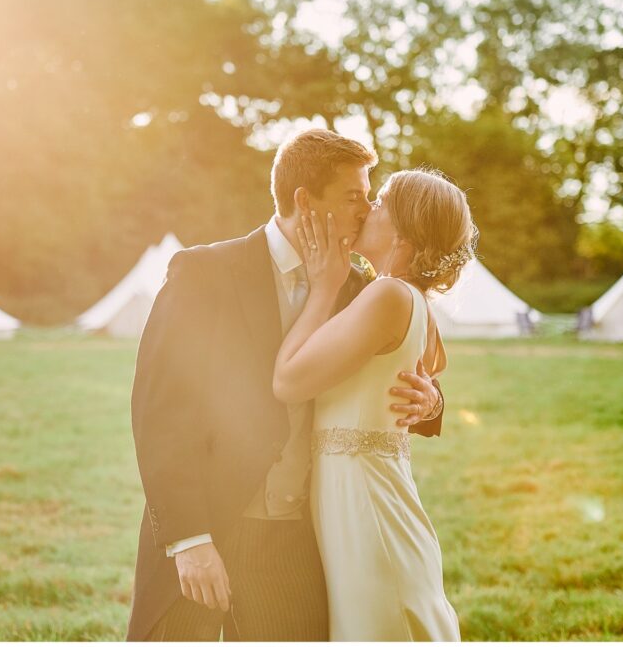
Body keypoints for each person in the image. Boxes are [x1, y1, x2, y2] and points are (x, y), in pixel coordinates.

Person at [127, 130, 447, 641]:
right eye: (353, 196)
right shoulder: (205, 271)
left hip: (297, 541)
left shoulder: (363, 290)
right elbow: (158, 413)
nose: (366, 209)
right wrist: (189, 541)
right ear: (304, 200)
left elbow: (399, 368)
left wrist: (431, 401)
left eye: (368, 197)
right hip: (209, 528)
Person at [273, 168, 477, 641]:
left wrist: (324, 287)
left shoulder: (388, 294)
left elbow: (288, 381)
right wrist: (429, 403)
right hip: (358, 495)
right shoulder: (405, 297)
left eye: (380, 201)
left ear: (404, 229)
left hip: (368, 503)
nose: (367, 209)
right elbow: (425, 375)